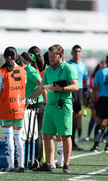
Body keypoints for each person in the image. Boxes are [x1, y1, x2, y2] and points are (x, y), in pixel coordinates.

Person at [33, 44, 78, 173]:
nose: (51, 59)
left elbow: (75, 86)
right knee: (46, 135)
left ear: (60, 56)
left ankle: (66, 164)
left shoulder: (68, 69)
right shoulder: (48, 70)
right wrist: (29, 99)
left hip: (63, 106)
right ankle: (48, 163)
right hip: (50, 106)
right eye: (50, 56)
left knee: (65, 136)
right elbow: (41, 87)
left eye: (53, 56)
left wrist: (62, 89)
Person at [0, 47, 26, 172]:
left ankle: (11, 165)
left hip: (6, 107)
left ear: (4, 56)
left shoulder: (1, 72)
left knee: (9, 138)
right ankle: (21, 164)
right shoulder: (23, 71)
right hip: (19, 107)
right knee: (18, 138)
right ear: (16, 57)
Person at [19, 52, 45, 168]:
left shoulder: (31, 71)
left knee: (37, 133)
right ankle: (28, 158)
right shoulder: (23, 71)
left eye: (21, 61)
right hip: (28, 104)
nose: (19, 63)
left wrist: (44, 101)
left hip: (36, 104)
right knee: (28, 133)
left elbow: (42, 85)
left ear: (27, 62)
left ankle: (37, 159)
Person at [67, 45, 88, 150]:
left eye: (79, 51)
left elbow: (84, 79)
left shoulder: (82, 65)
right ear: (72, 53)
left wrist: (85, 93)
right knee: (70, 115)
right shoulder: (68, 65)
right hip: (70, 91)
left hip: (79, 91)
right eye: (75, 51)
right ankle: (67, 139)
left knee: (77, 115)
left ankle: (73, 140)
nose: (77, 53)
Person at [90, 57, 108, 152]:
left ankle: (96, 145)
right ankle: (107, 146)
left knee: (99, 123)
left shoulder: (100, 72)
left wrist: (92, 101)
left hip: (102, 99)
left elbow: (95, 88)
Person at [86, 61, 104, 142]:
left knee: (102, 120)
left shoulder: (102, 74)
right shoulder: (94, 77)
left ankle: (101, 138)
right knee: (94, 118)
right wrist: (91, 100)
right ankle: (89, 135)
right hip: (96, 100)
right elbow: (91, 88)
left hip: (101, 99)